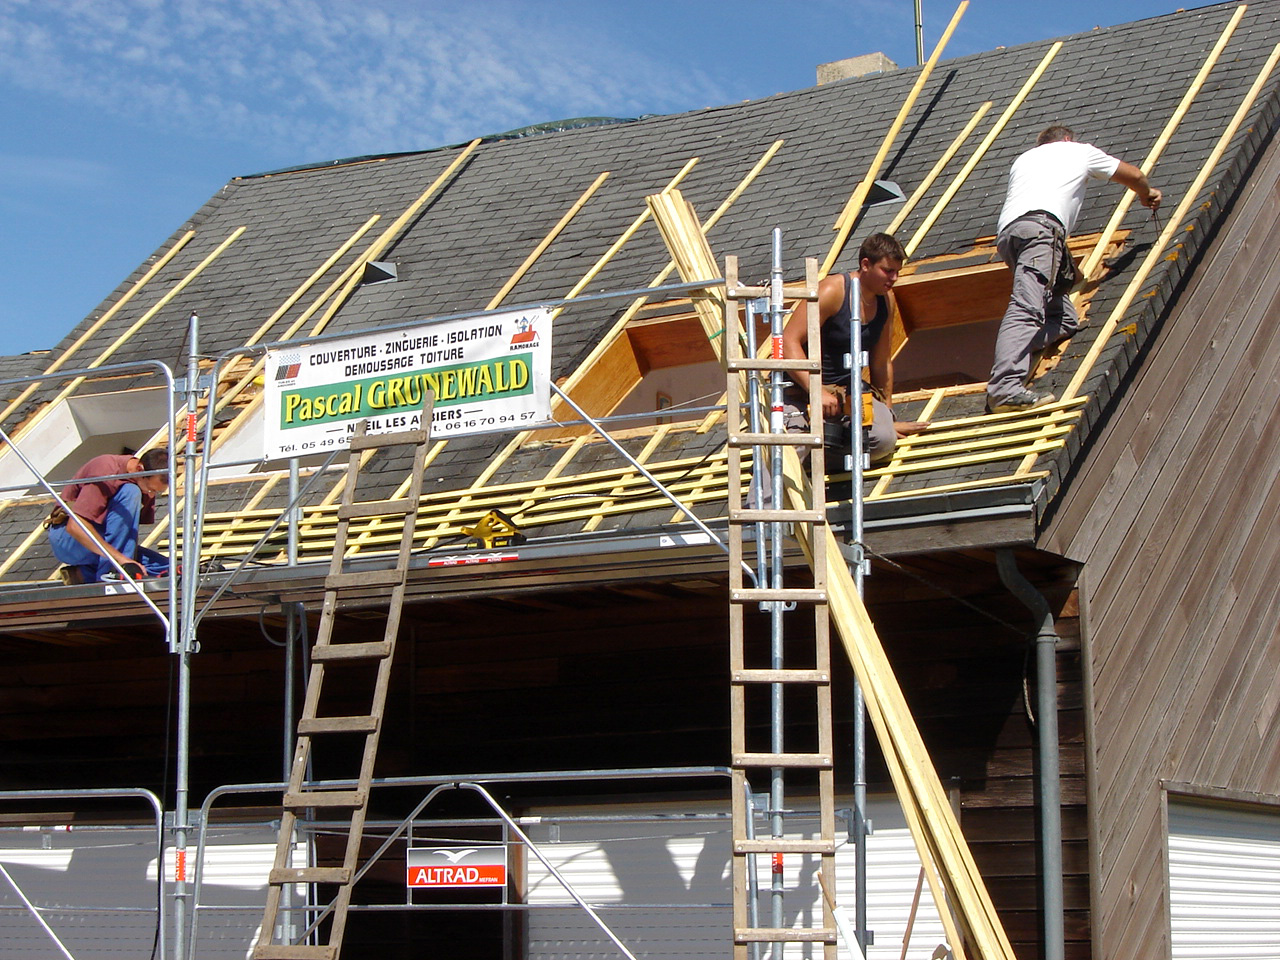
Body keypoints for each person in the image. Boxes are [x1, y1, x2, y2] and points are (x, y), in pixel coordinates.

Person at [987, 124, 1163, 413]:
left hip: (1012, 236)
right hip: (1041, 233)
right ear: (1067, 139)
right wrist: (1147, 193)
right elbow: (1135, 175)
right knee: (1027, 308)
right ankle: (1005, 388)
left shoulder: (1025, 159)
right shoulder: (1077, 151)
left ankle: (1011, 350)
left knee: (1064, 318)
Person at [782, 232, 927, 466]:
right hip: (801, 390)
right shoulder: (833, 292)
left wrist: (887, 416)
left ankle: (826, 449)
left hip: (848, 396)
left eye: (897, 271)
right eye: (887, 271)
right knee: (792, 450)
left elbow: (880, 362)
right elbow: (789, 341)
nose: (894, 278)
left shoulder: (885, 300)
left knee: (883, 440)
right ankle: (811, 451)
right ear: (866, 264)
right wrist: (815, 389)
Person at [46, 449, 170, 583]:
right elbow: (75, 527)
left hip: (101, 541)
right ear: (140, 470)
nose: (151, 496)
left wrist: (127, 561)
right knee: (131, 491)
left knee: (166, 566)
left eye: (156, 492)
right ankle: (110, 575)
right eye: (151, 490)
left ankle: (84, 574)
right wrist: (122, 560)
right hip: (68, 538)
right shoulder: (106, 470)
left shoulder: (142, 478)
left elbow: (124, 537)